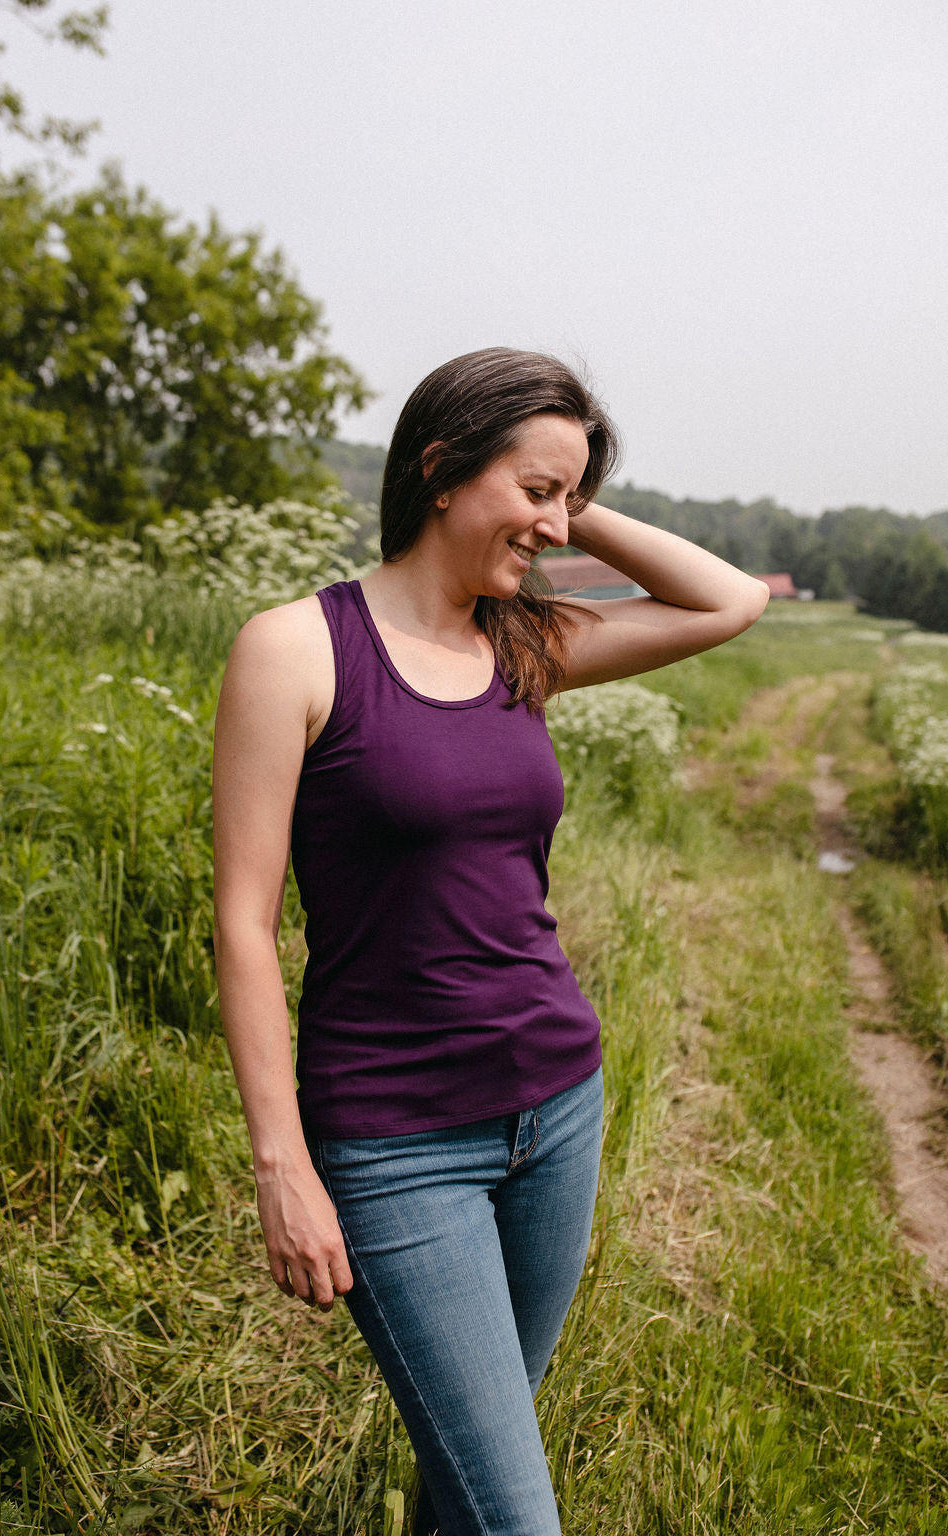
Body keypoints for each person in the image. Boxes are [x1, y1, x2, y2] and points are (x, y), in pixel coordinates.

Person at [211, 348, 769, 1535]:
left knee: (471, 1481)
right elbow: (243, 928)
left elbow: (728, 601)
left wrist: (561, 486)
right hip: (394, 1142)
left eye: (569, 499)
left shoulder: (524, 645)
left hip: (557, 1109)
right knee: (516, 1513)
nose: (554, 524)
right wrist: (281, 1164)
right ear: (439, 468)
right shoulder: (296, 650)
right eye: (533, 491)